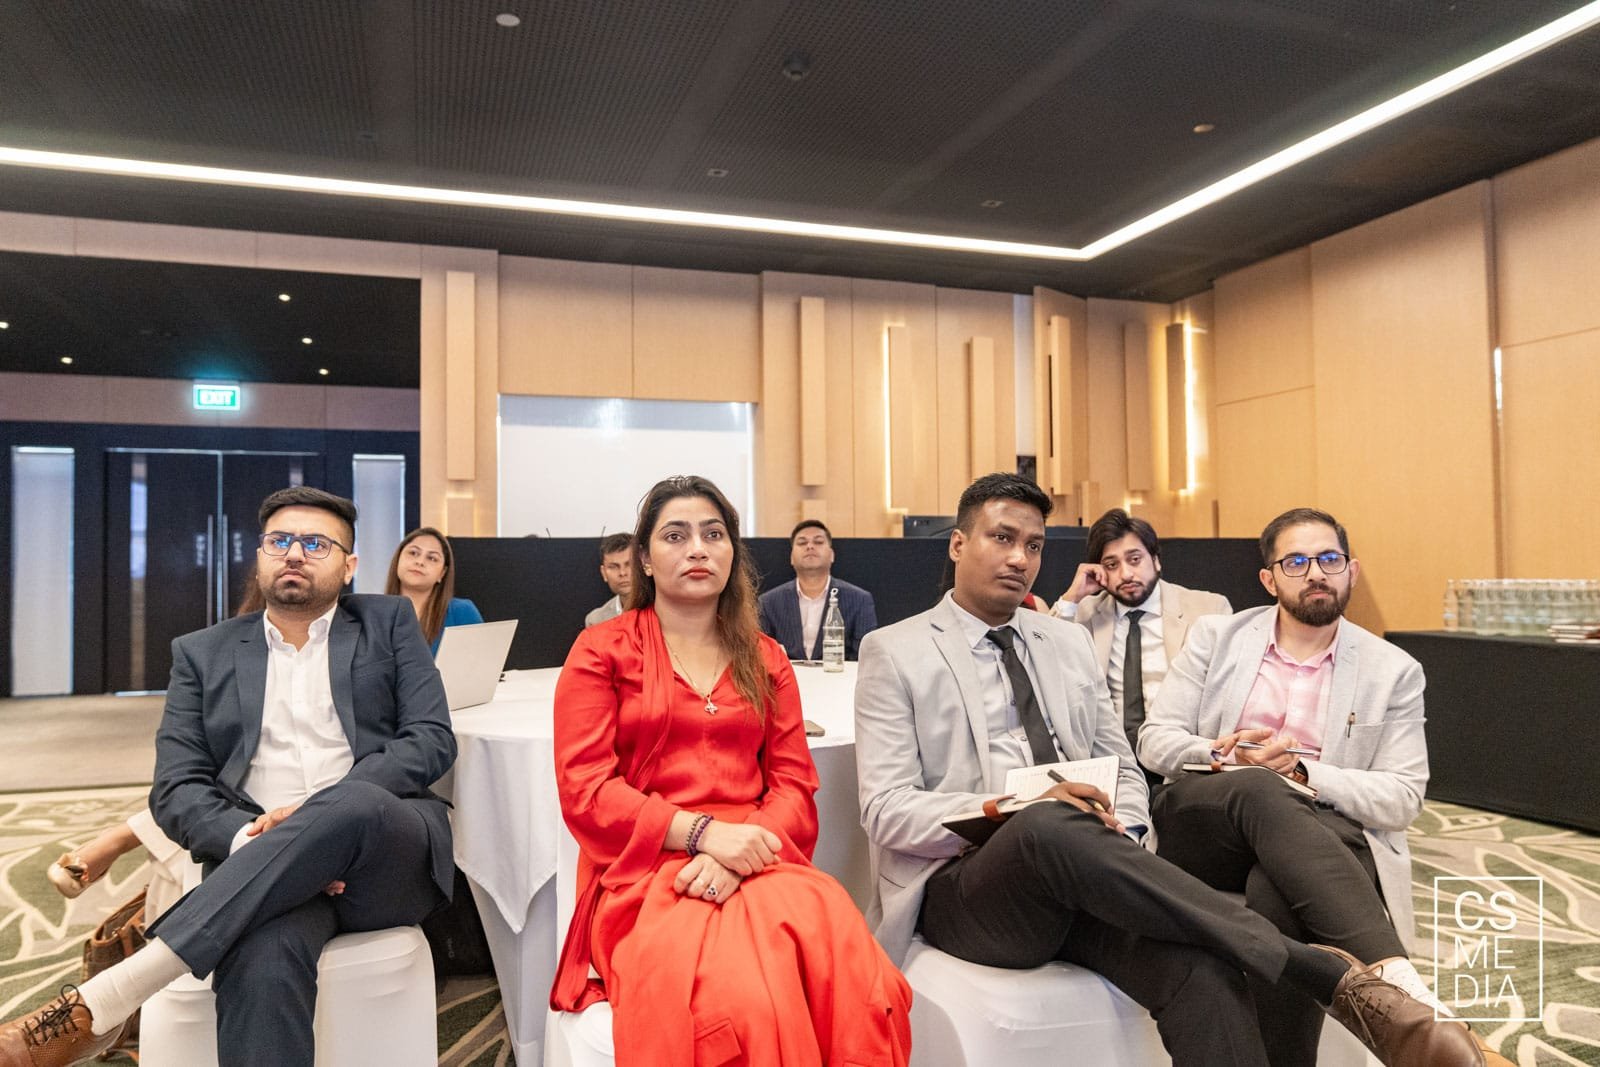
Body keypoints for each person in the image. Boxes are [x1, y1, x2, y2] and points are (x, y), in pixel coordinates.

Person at [853, 472, 1483, 1067]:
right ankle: (1315, 970)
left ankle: (1327, 979)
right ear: (959, 544)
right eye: (1002, 538)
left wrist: (1124, 831)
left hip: (1084, 872)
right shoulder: (895, 650)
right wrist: (1010, 809)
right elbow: (885, 811)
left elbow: (1124, 767)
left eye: (1035, 545)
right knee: (1044, 823)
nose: (1020, 558)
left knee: (1203, 975)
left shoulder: (1066, 642)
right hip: (971, 889)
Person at [0, 486, 457, 1067]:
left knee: (356, 803)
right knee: (261, 959)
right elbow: (176, 788)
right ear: (260, 557)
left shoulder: (388, 623)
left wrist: (317, 819)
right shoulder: (202, 653)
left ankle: (109, 996)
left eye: (317, 543)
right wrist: (251, 841)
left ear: (349, 567)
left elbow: (430, 738)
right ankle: (118, 996)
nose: (295, 553)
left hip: (382, 857)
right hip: (256, 863)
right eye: (279, 541)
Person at [552, 476, 910, 1065]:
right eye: (676, 535)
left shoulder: (766, 658)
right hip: (645, 869)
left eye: (713, 534)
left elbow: (794, 787)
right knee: (743, 1001)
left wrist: (735, 854)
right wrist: (703, 835)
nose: (697, 548)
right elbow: (586, 791)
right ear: (645, 559)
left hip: (759, 856)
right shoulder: (601, 650)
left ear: (732, 553)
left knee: (857, 976)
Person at [1138, 507, 1501, 1065]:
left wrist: (1304, 773)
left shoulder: (1393, 669)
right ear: (1269, 579)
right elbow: (1154, 741)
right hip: (1208, 821)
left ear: (1351, 571)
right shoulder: (1217, 637)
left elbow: (1403, 798)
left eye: (1329, 559)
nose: (1315, 573)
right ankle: (1408, 998)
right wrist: (1225, 752)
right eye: (1296, 562)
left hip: (1312, 834)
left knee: (1276, 893)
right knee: (1259, 789)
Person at [1052, 508, 1231, 784]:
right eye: (1112, 565)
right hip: (1112, 765)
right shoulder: (1085, 613)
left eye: (1135, 560)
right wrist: (1072, 597)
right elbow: (1045, 658)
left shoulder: (1207, 609)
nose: (1126, 574)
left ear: (1156, 561)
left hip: (1183, 762)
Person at [758, 519, 878, 660]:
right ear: (791, 558)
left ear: (832, 555)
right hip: (787, 674)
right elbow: (762, 655)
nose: (810, 546)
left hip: (839, 673)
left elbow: (865, 656)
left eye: (818, 542)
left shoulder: (859, 600)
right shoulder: (768, 602)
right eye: (802, 543)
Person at [385, 525, 483, 654]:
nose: (420, 562)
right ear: (398, 559)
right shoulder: (372, 614)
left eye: (432, 558)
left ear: (442, 573)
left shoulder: (461, 612)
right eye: (413, 553)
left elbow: (482, 663)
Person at [584, 532, 634, 627]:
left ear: (644, 566)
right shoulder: (596, 621)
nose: (622, 573)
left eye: (630, 564)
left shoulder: (662, 611)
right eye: (613, 567)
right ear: (604, 573)